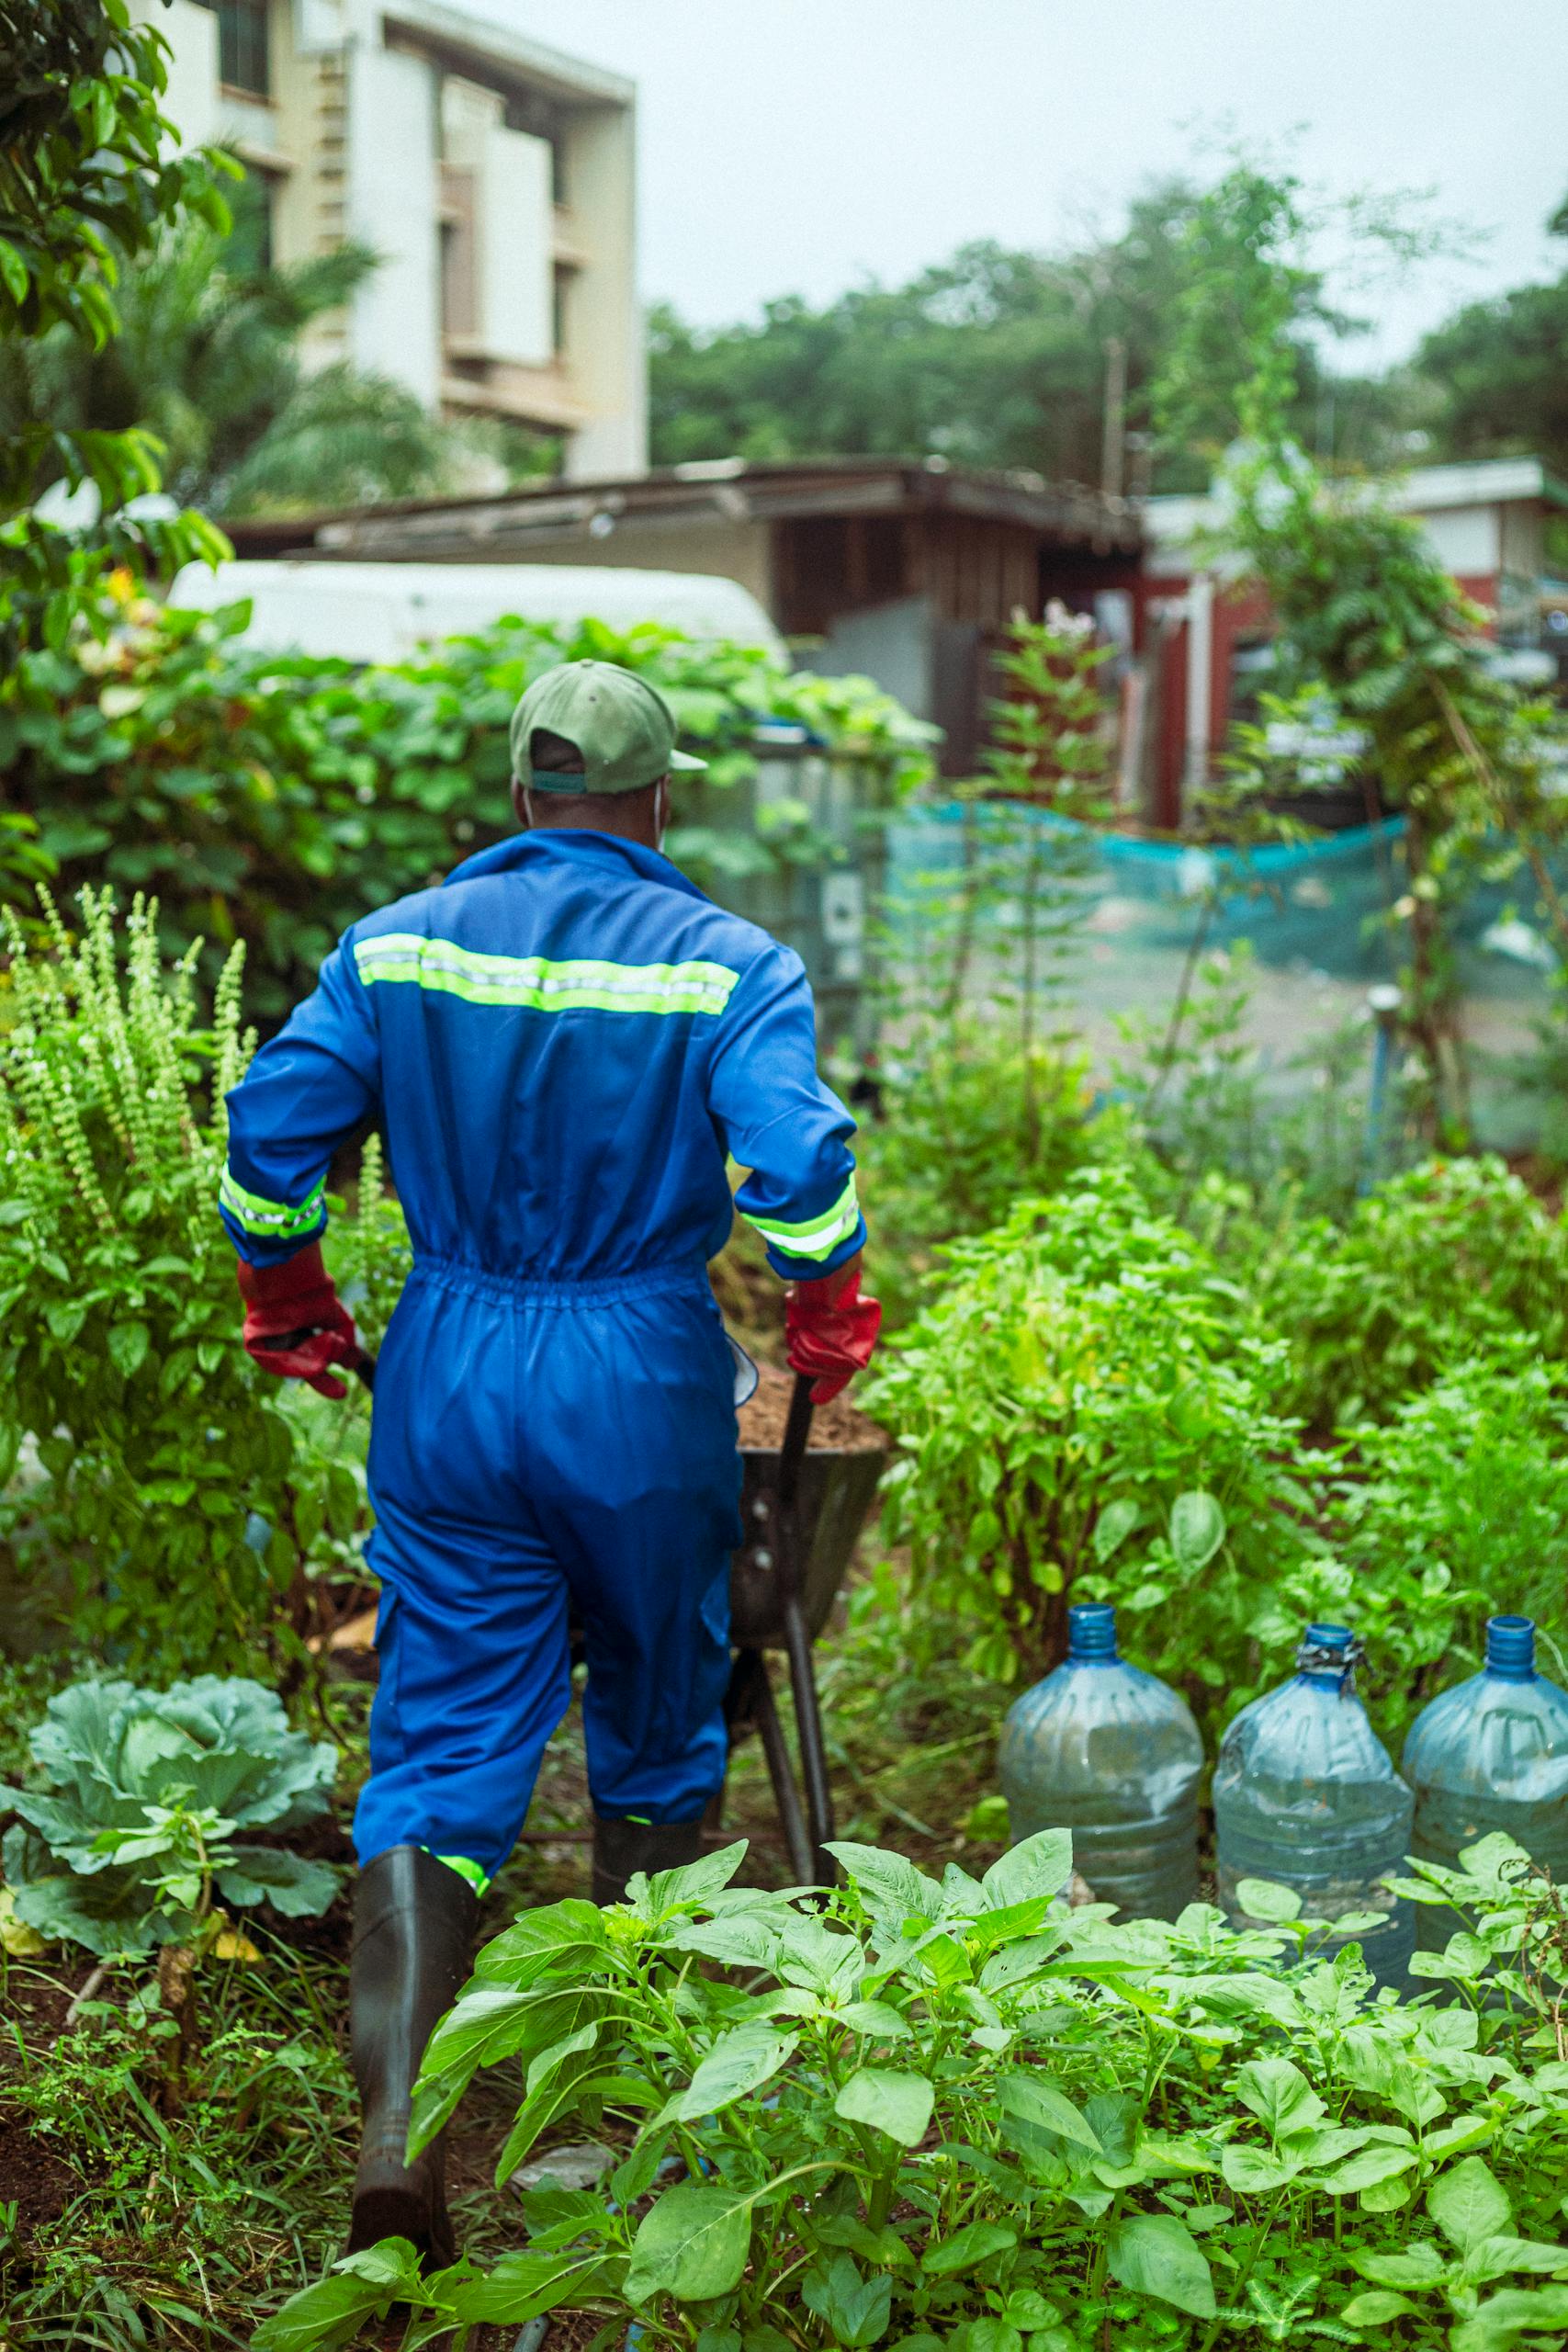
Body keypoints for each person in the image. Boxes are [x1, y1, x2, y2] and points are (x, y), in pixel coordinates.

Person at [219, 658, 880, 2263]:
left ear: (522, 799)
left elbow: (268, 1135)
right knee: (657, 1701)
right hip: (637, 1373)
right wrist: (828, 1311)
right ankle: (648, 2107)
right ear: (659, 804)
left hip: (447, 1365)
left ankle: (395, 2137)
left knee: (441, 1735)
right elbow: (797, 1171)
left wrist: (288, 1291)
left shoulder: (397, 943)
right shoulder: (730, 962)